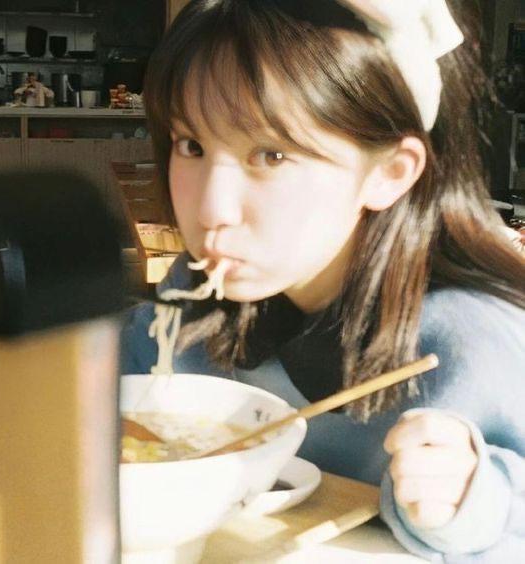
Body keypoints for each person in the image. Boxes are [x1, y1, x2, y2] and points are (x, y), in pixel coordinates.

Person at [121, 0, 525, 561]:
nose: (213, 209)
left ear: (388, 173)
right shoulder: (195, 295)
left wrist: (475, 503)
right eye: (192, 146)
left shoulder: (474, 344)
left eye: (271, 155)